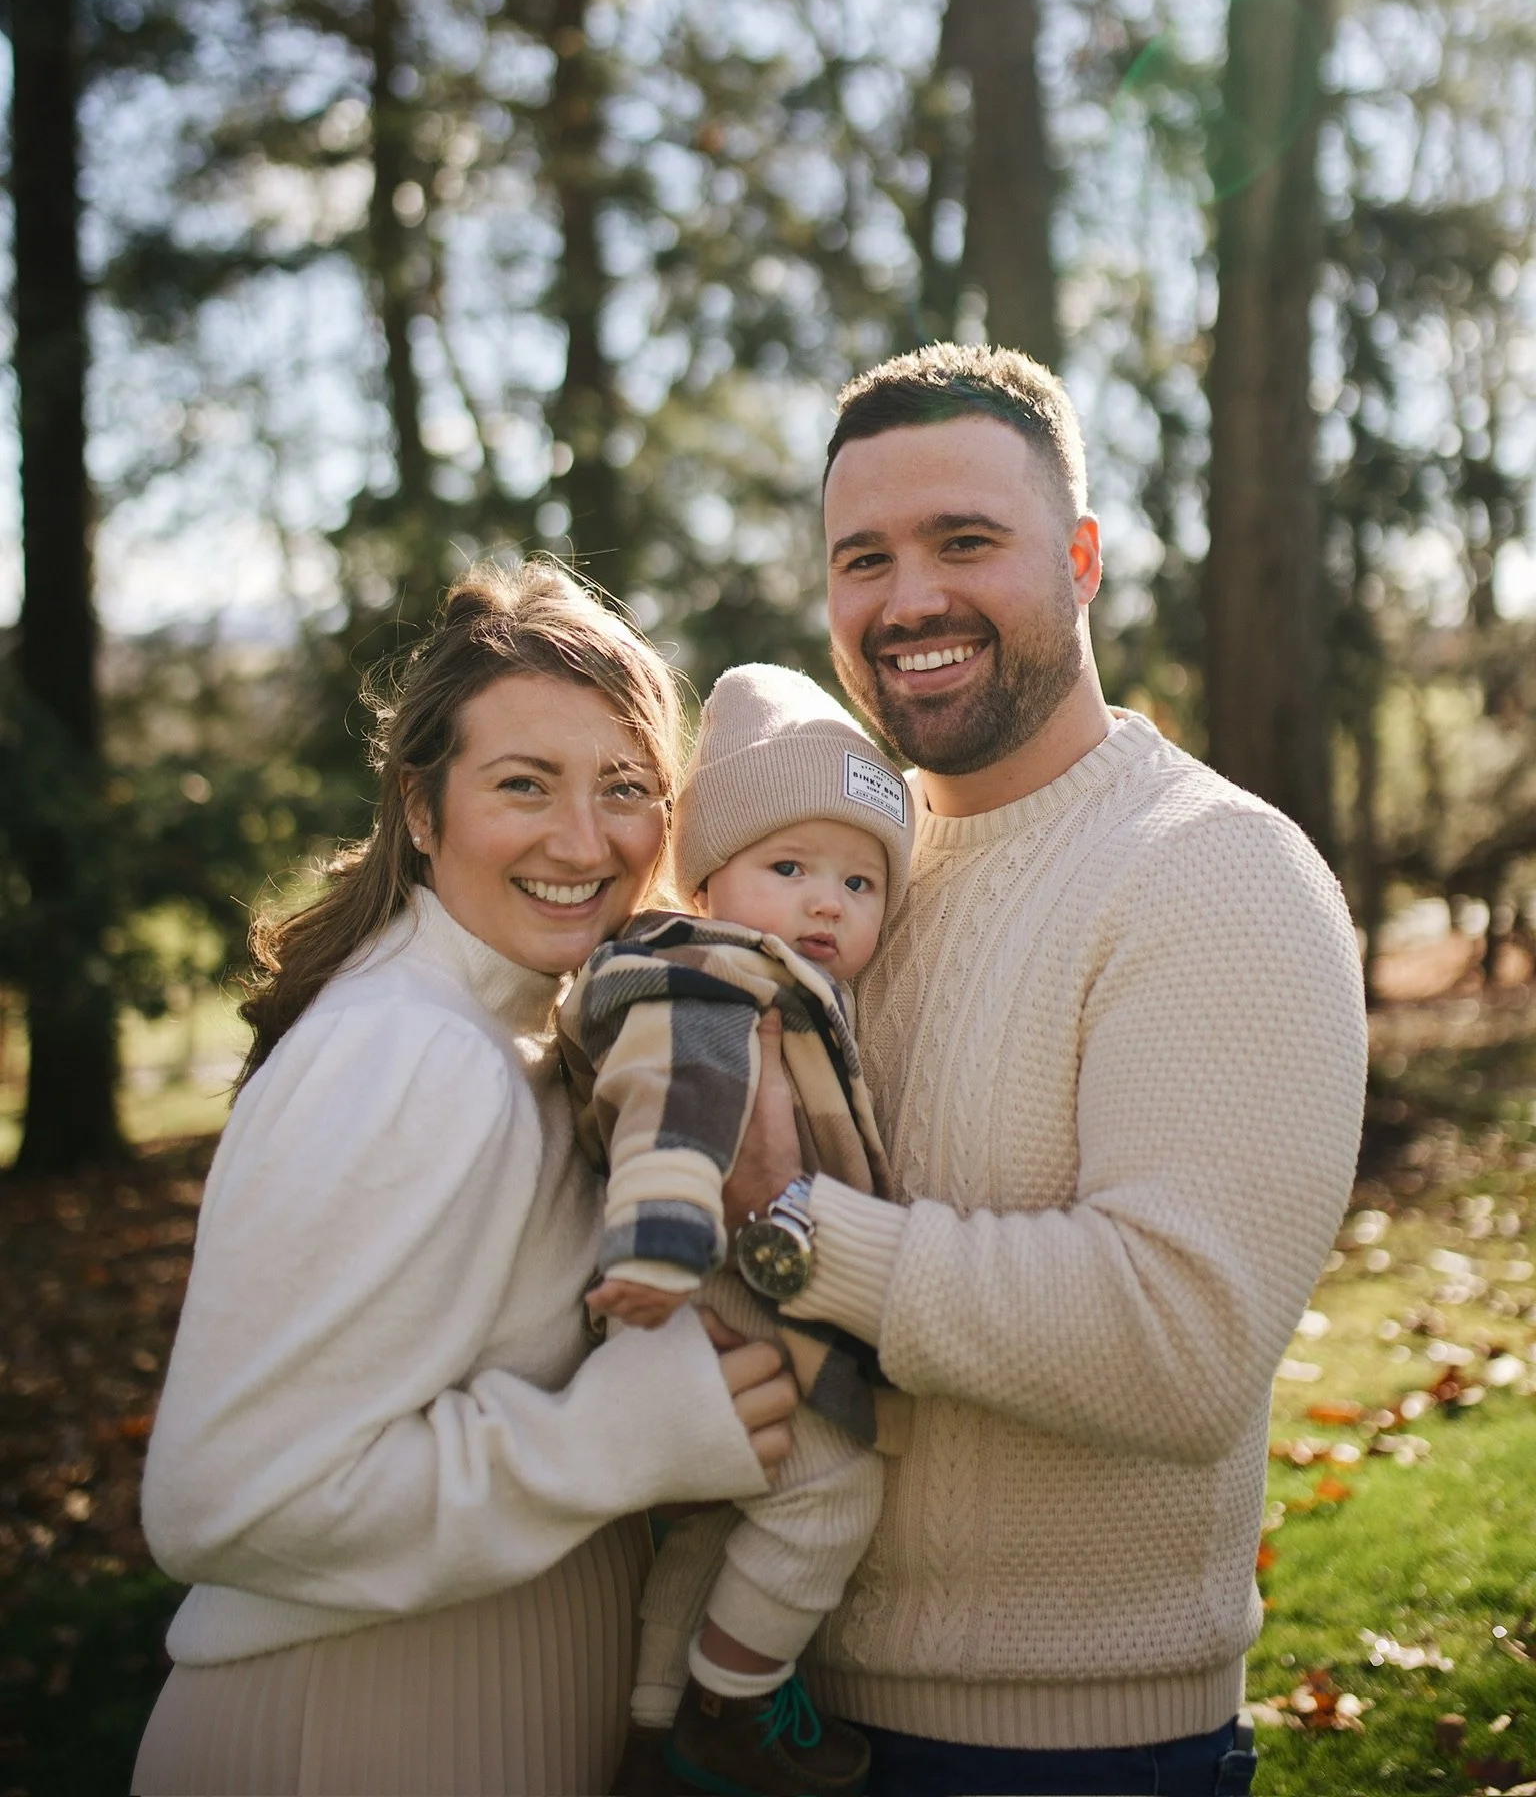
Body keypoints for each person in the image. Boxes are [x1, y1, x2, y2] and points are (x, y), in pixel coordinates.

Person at [723, 344, 1369, 1797]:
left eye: (965, 542)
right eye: (863, 558)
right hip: (775, 1704)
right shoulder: (842, 886)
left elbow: (1181, 1345)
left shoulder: (1214, 873)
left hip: (1067, 1752)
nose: (907, 602)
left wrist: (795, 1238)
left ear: (1080, 558)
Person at [131, 563, 799, 1797]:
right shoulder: (408, 1051)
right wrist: (618, 1439)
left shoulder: (524, 1027)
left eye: (625, 788)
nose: (582, 840)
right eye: (523, 786)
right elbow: (217, 1501)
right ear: (423, 810)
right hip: (350, 1729)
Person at [559, 664, 915, 1797]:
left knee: (714, 1527)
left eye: (860, 881)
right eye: (790, 868)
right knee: (829, 1493)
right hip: (702, 1289)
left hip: (713, 1296)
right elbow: (679, 1107)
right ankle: (732, 1708)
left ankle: (655, 1724)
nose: (826, 903)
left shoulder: (773, 980)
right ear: (707, 884)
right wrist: (658, 1243)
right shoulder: (710, 981)